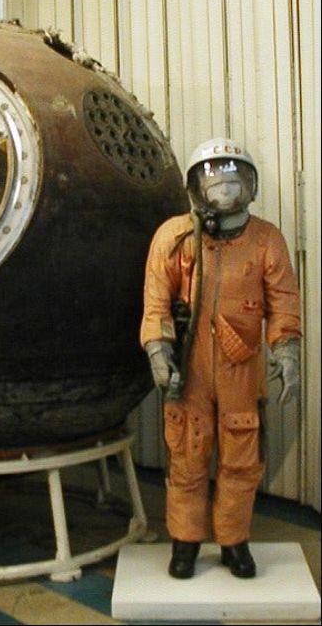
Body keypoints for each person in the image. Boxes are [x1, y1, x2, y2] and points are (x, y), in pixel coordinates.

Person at [140, 138, 301, 579]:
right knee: (187, 457)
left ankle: (233, 542)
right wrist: (158, 350)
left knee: (241, 460)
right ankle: (186, 542)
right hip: (188, 366)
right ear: (196, 187)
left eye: (235, 178)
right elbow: (156, 301)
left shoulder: (265, 239)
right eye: (214, 177)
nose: (225, 187)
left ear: (250, 186)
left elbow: (283, 301)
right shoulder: (174, 238)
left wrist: (287, 351)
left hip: (241, 368)